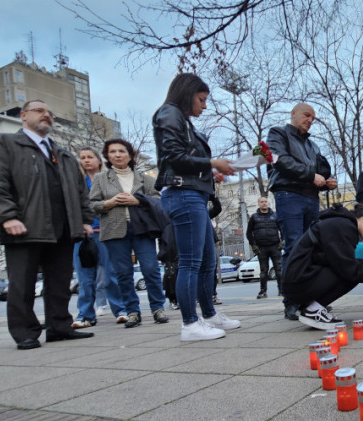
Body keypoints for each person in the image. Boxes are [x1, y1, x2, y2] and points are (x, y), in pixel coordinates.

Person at [0, 100, 95, 350]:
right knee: (22, 284)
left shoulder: (62, 154)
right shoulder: (5, 143)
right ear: (23, 115)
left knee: (60, 283)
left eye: (50, 113)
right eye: (40, 110)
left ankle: (60, 327)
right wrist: (7, 216)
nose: (46, 115)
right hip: (25, 226)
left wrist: (84, 220)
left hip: (63, 227)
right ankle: (25, 333)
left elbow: (80, 192)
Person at [154, 73, 241, 341]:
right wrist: (212, 164)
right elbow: (175, 157)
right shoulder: (170, 114)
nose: (204, 105)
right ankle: (190, 324)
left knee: (206, 261)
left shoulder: (181, 120)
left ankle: (209, 315)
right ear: (187, 93)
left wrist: (208, 173)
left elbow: (183, 160)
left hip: (193, 193)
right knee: (191, 262)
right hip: (183, 195)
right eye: (201, 99)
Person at [266, 102, 336, 320]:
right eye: (306, 115)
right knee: (294, 246)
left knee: (311, 249)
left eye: (313, 118)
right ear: (293, 114)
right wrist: (310, 176)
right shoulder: (278, 134)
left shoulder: (312, 145)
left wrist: (327, 181)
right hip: (289, 195)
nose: (310, 120)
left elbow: (318, 171)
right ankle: (291, 302)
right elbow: (279, 160)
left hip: (311, 197)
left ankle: (308, 298)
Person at [89, 138, 168, 329]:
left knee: (150, 269)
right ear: (107, 156)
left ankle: (158, 308)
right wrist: (110, 203)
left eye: (122, 151)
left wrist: (138, 200)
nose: (117, 155)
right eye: (113, 151)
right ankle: (132, 311)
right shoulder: (100, 179)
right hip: (114, 230)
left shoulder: (145, 178)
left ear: (130, 155)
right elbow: (92, 205)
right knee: (123, 273)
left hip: (142, 228)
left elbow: (158, 200)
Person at [283, 201, 363, 330]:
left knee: (355, 269)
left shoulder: (342, 224)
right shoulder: (343, 226)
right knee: (353, 274)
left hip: (299, 279)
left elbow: (341, 261)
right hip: (298, 282)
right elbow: (351, 270)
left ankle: (311, 307)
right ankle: (312, 310)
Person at [72, 147, 126, 328]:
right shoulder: (77, 182)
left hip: (107, 232)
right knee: (85, 278)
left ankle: (121, 310)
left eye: (90, 157)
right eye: (82, 158)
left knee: (111, 275)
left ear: (98, 160)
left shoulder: (109, 179)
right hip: (83, 235)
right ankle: (85, 314)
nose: (86, 160)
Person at [246, 196, 282, 299]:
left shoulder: (275, 216)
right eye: (262, 202)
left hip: (275, 246)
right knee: (263, 270)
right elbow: (249, 233)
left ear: (268, 203)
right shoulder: (254, 217)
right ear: (258, 204)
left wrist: (282, 242)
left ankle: (281, 290)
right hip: (261, 248)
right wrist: (253, 245)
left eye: (265, 201)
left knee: (279, 270)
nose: (264, 203)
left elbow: (283, 229)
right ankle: (263, 291)